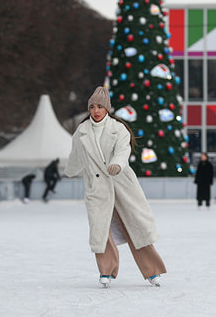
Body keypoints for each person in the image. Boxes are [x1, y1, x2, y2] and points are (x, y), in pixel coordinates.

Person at [65, 86, 166, 287]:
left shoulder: (118, 129)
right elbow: (75, 155)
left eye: (100, 107)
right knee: (100, 230)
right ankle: (106, 271)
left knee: (136, 226)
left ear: (107, 109)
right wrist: (69, 170)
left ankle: (152, 270)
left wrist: (117, 164)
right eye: (92, 107)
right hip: (97, 188)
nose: (96, 111)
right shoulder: (82, 131)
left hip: (120, 183)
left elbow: (123, 150)